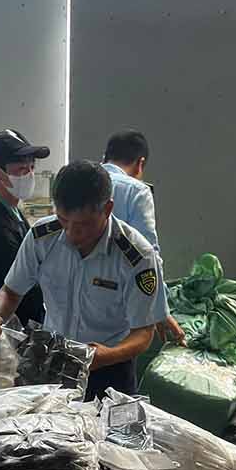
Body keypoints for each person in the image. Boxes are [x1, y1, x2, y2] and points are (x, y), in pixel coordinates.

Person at [0, 160, 168, 400]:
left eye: (82, 225)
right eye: (63, 220)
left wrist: (107, 355)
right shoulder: (42, 237)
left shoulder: (135, 256)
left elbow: (143, 333)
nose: (70, 233)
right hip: (51, 361)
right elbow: (10, 291)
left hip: (109, 369)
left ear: (107, 209)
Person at [102, 128, 183, 345]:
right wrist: (160, 310)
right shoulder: (136, 191)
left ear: (105, 157)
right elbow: (148, 252)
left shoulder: (81, 180)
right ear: (140, 163)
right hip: (120, 301)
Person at [0, 129, 50, 328]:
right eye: (22, 169)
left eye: (32, 167)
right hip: (18, 324)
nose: (30, 175)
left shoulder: (12, 211)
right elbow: (17, 284)